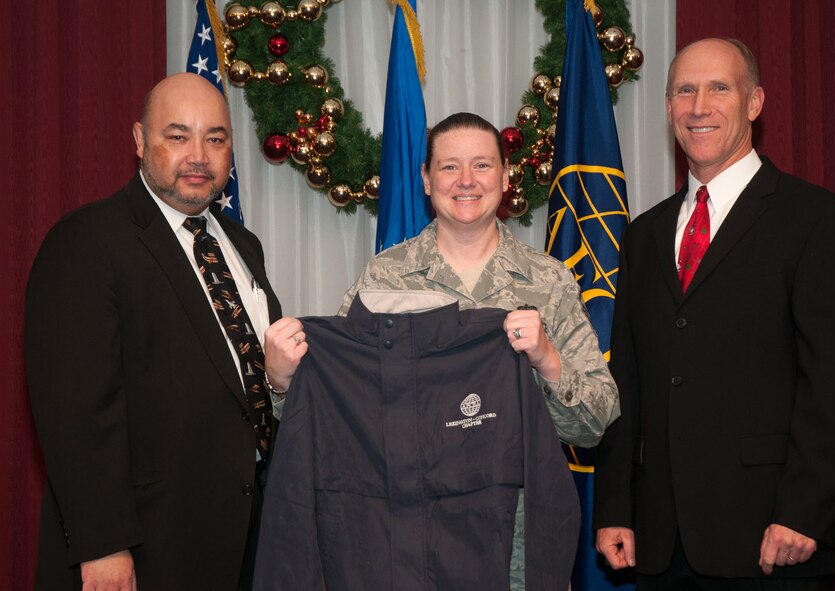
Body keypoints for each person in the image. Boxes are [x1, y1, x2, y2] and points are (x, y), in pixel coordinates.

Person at [263, 112, 619, 589]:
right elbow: (339, 413)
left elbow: (598, 423)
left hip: (510, 551)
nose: (466, 181)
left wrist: (548, 360)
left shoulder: (548, 280)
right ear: (426, 180)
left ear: (507, 176)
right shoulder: (384, 279)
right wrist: (282, 382)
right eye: (449, 167)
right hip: (401, 549)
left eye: (483, 165)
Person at [593, 38, 835, 590]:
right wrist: (615, 507)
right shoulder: (643, 234)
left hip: (772, 541)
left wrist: (804, 511)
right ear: (669, 105)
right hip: (660, 544)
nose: (699, 106)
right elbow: (625, 380)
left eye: (719, 87)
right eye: (684, 91)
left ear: (755, 102)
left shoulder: (816, 221)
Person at [26, 73, 289, 590]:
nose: (198, 155)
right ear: (140, 141)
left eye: (215, 138)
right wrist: (103, 545)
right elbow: (76, 413)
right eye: (178, 135)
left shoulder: (242, 244)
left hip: (246, 537)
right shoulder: (86, 242)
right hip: (143, 549)